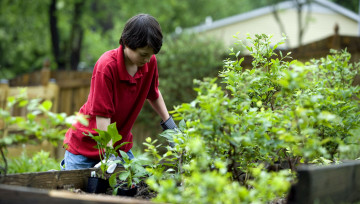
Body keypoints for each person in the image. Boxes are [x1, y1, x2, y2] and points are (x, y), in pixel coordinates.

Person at [61, 14, 177, 170]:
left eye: (151, 55)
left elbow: (153, 93)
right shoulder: (107, 66)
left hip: (119, 147)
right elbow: (103, 115)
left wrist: (171, 127)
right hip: (85, 149)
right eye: (143, 54)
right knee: (74, 190)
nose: (148, 60)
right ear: (128, 43)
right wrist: (109, 156)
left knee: (133, 187)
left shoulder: (149, 62)